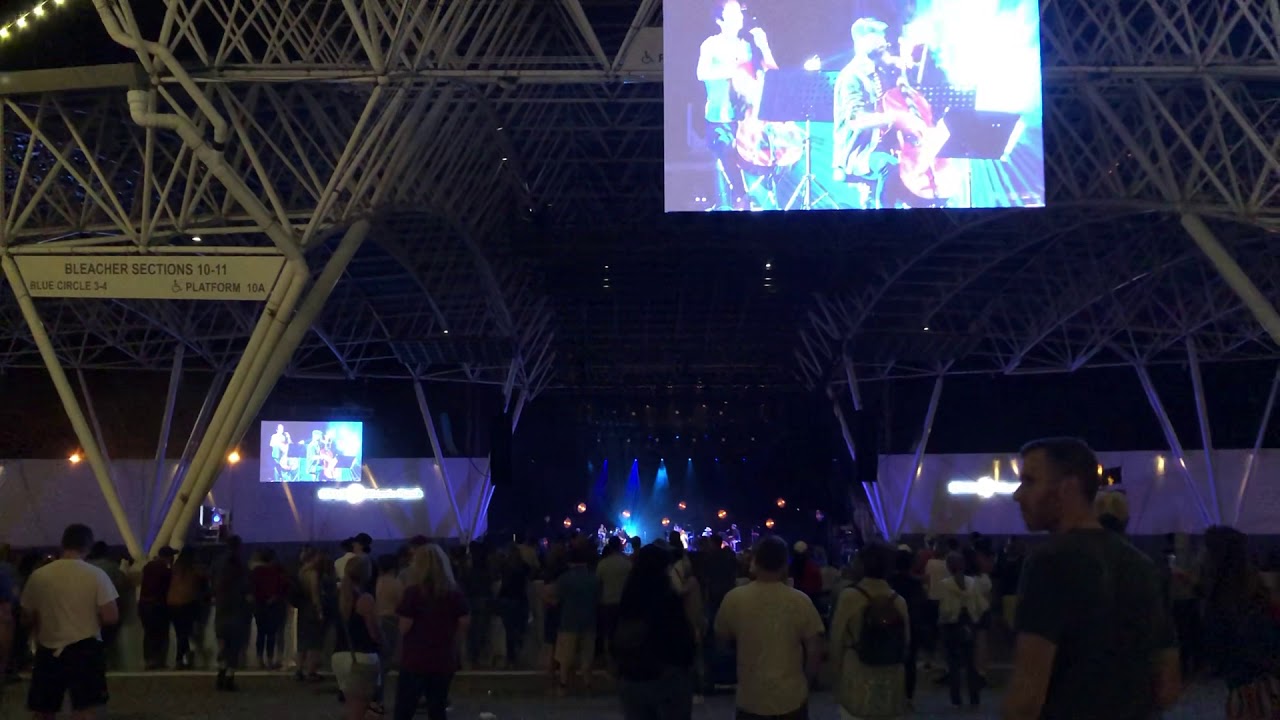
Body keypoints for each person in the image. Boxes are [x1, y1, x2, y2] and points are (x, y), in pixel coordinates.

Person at [1003, 437, 1181, 720]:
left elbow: (1026, 697)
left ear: (1067, 488)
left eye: (1029, 481)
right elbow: (1168, 685)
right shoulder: (1143, 566)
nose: (1018, 495)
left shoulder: (1049, 563)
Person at [715, 535, 824, 720]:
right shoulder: (800, 601)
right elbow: (815, 650)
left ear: (755, 562)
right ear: (784, 564)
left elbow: (721, 642)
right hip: (791, 697)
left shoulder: (734, 599)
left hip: (751, 697)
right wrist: (806, 682)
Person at [20, 523, 119, 720]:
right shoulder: (96, 575)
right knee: (85, 709)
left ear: (63, 543)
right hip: (86, 648)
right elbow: (111, 616)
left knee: (44, 710)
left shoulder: (39, 575)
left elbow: (26, 617)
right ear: (88, 546)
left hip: (48, 649)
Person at [696, 0, 777, 210]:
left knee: (771, 150)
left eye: (740, 13)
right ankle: (740, 197)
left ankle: (762, 192)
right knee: (728, 151)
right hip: (721, 116)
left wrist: (764, 46)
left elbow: (767, 74)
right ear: (719, 20)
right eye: (732, 14)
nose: (740, 17)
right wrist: (732, 71)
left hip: (746, 115)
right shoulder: (711, 44)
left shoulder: (747, 45)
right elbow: (701, 73)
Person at [611, 544, 696, 720]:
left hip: (633, 675)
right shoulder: (667, 597)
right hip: (668, 676)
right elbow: (682, 639)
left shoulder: (629, 596)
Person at [829, 543, 909, 720]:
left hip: (857, 675)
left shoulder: (849, 596)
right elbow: (906, 643)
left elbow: (836, 641)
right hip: (890, 680)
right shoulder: (899, 600)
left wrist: (835, 680)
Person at [395, 544, 468, 720]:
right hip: (443, 658)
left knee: (405, 709)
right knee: (437, 708)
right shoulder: (455, 594)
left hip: (415, 658)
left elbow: (404, 626)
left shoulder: (413, 593)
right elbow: (464, 623)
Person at [334, 555, 381, 720]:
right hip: (362, 656)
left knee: (352, 707)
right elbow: (373, 633)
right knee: (359, 711)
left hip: (340, 655)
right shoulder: (365, 599)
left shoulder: (339, 596)